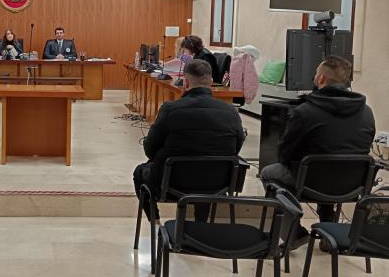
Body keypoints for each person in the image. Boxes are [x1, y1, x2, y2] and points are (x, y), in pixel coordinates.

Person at [260, 55, 375, 222]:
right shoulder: (367, 112)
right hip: (353, 184)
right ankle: (328, 222)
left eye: (315, 73)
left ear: (321, 78)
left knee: (267, 173)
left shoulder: (305, 112)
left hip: (310, 182)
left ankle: (293, 229)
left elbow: (284, 154)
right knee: (328, 167)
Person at [132, 59, 245, 223]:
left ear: (185, 82)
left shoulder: (170, 109)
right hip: (218, 184)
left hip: (171, 183)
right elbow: (237, 147)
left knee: (139, 173)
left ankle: (156, 224)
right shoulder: (230, 111)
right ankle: (200, 225)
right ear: (211, 82)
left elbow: (150, 150)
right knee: (207, 172)